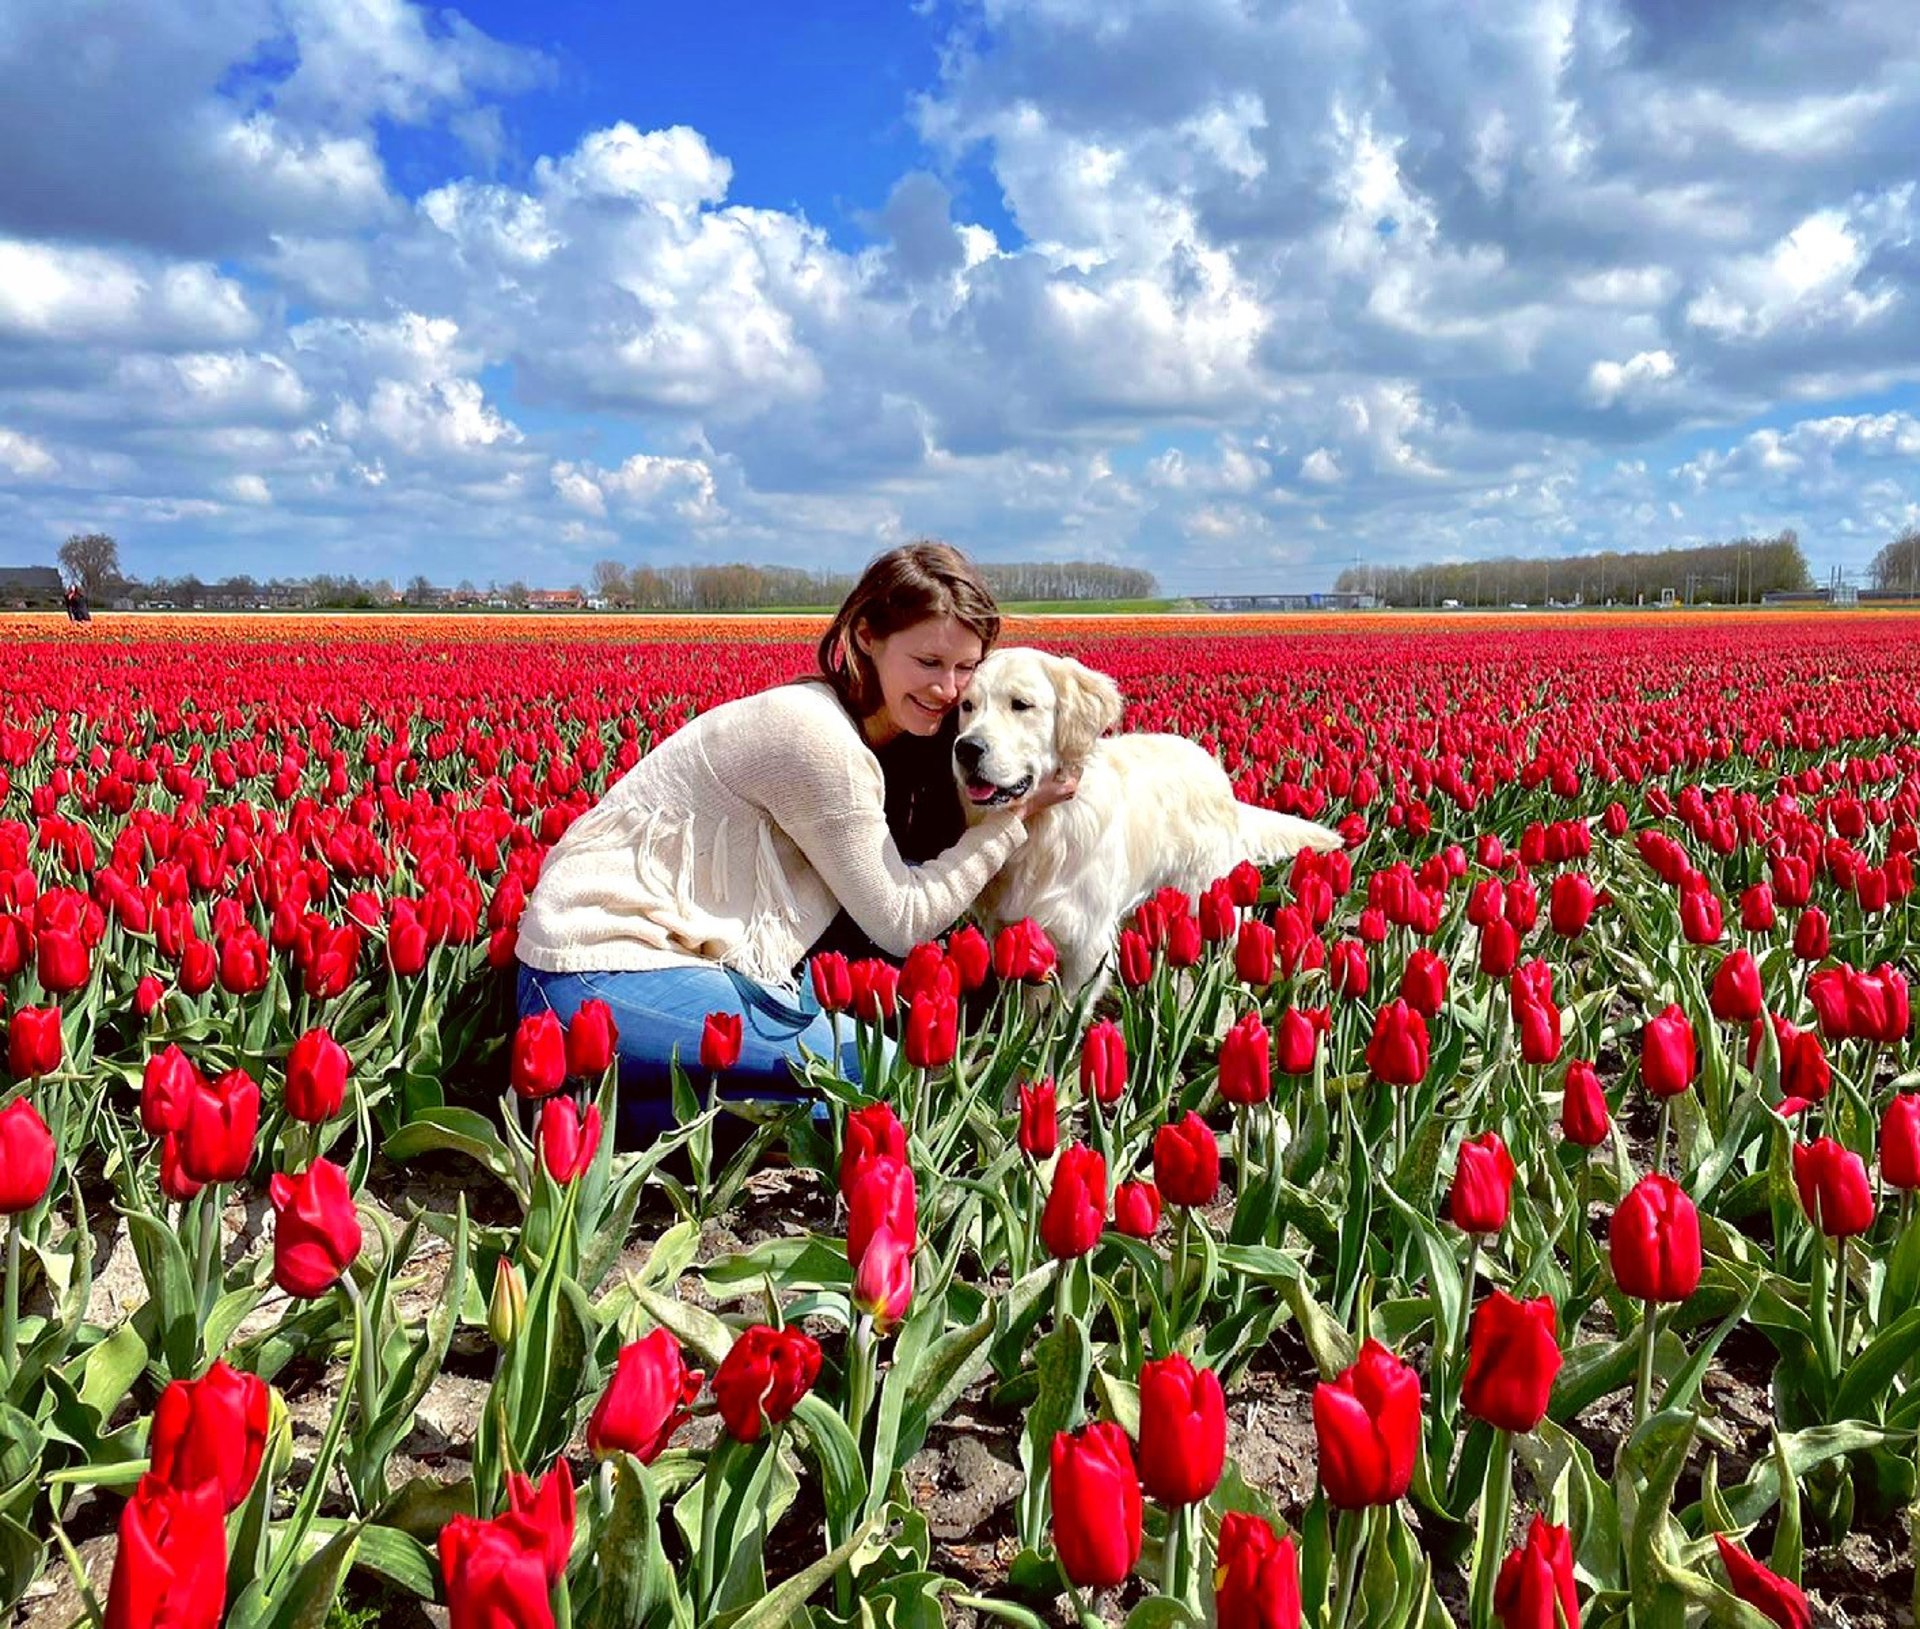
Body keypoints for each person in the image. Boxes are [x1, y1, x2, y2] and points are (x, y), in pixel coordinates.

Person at [514, 541, 1079, 1142]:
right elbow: (902, 920)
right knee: (884, 1073)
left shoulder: (875, 730)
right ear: (867, 637)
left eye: (966, 668)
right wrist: (1010, 821)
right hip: (600, 973)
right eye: (928, 662)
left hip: (670, 969)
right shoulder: (817, 737)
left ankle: (589, 1113)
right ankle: (588, 1106)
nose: (948, 688)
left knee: (846, 1102)